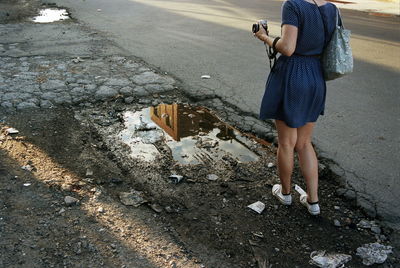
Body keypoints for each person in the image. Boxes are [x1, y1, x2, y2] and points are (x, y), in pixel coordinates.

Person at [254, 0, 338, 215]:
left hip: (293, 75)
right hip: (316, 77)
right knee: (304, 143)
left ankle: (286, 194)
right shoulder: (330, 8)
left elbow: (288, 48)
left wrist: (264, 36)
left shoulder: (292, 5)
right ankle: (313, 202)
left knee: (287, 143)